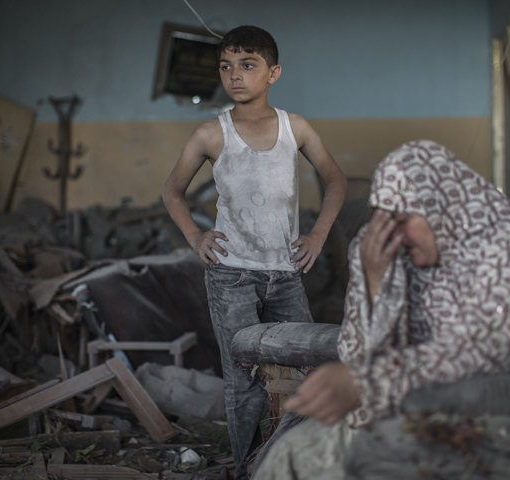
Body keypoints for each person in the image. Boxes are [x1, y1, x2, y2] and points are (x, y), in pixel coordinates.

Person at [253, 139, 510, 479]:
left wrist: (367, 381)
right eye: (385, 221)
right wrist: (374, 288)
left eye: (405, 219)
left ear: (443, 206)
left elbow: (480, 363)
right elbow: (359, 357)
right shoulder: (388, 247)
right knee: (289, 455)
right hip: (430, 410)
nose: (395, 235)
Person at [162, 25, 347, 480]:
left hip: (284, 274)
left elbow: (336, 180)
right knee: (243, 379)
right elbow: (172, 191)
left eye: (248, 66)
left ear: (273, 72)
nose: (235, 76)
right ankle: (247, 468)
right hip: (231, 277)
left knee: (305, 370)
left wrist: (318, 236)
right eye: (226, 67)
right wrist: (196, 238)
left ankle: (298, 461)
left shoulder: (294, 127)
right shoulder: (211, 133)